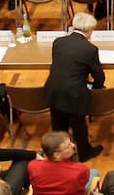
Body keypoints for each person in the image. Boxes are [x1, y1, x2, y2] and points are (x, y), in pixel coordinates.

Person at [44, 13, 107, 161]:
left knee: (58, 124)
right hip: (74, 93)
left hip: (53, 88)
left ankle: (57, 154)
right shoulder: (90, 49)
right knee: (78, 125)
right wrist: (97, 88)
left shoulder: (58, 42)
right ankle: (84, 152)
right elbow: (98, 74)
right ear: (90, 30)